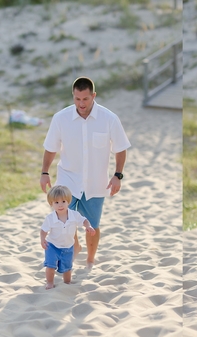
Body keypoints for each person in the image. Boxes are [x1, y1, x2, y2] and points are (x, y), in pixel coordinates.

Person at [40, 77, 131, 269]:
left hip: (96, 182)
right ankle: (75, 247)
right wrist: (44, 172)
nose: (81, 104)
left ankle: (90, 258)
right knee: (63, 218)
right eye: (77, 99)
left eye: (85, 99)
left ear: (93, 96)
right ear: (73, 96)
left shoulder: (109, 119)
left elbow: (121, 148)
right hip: (67, 180)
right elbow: (50, 148)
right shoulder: (60, 118)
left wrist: (118, 175)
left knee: (93, 225)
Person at [40, 185, 96, 289]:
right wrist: (43, 239)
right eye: (56, 202)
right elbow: (43, 230)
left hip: (68, 246)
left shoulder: (74, 215)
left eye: (63, 202)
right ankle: (50, 282)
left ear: (68, 202)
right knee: (50, 266)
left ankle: (67, 283)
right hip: (52, 246)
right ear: (51, 204)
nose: (60, 205)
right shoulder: (50, 218)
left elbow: (84, 220)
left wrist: (88, 226)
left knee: (67, 268)